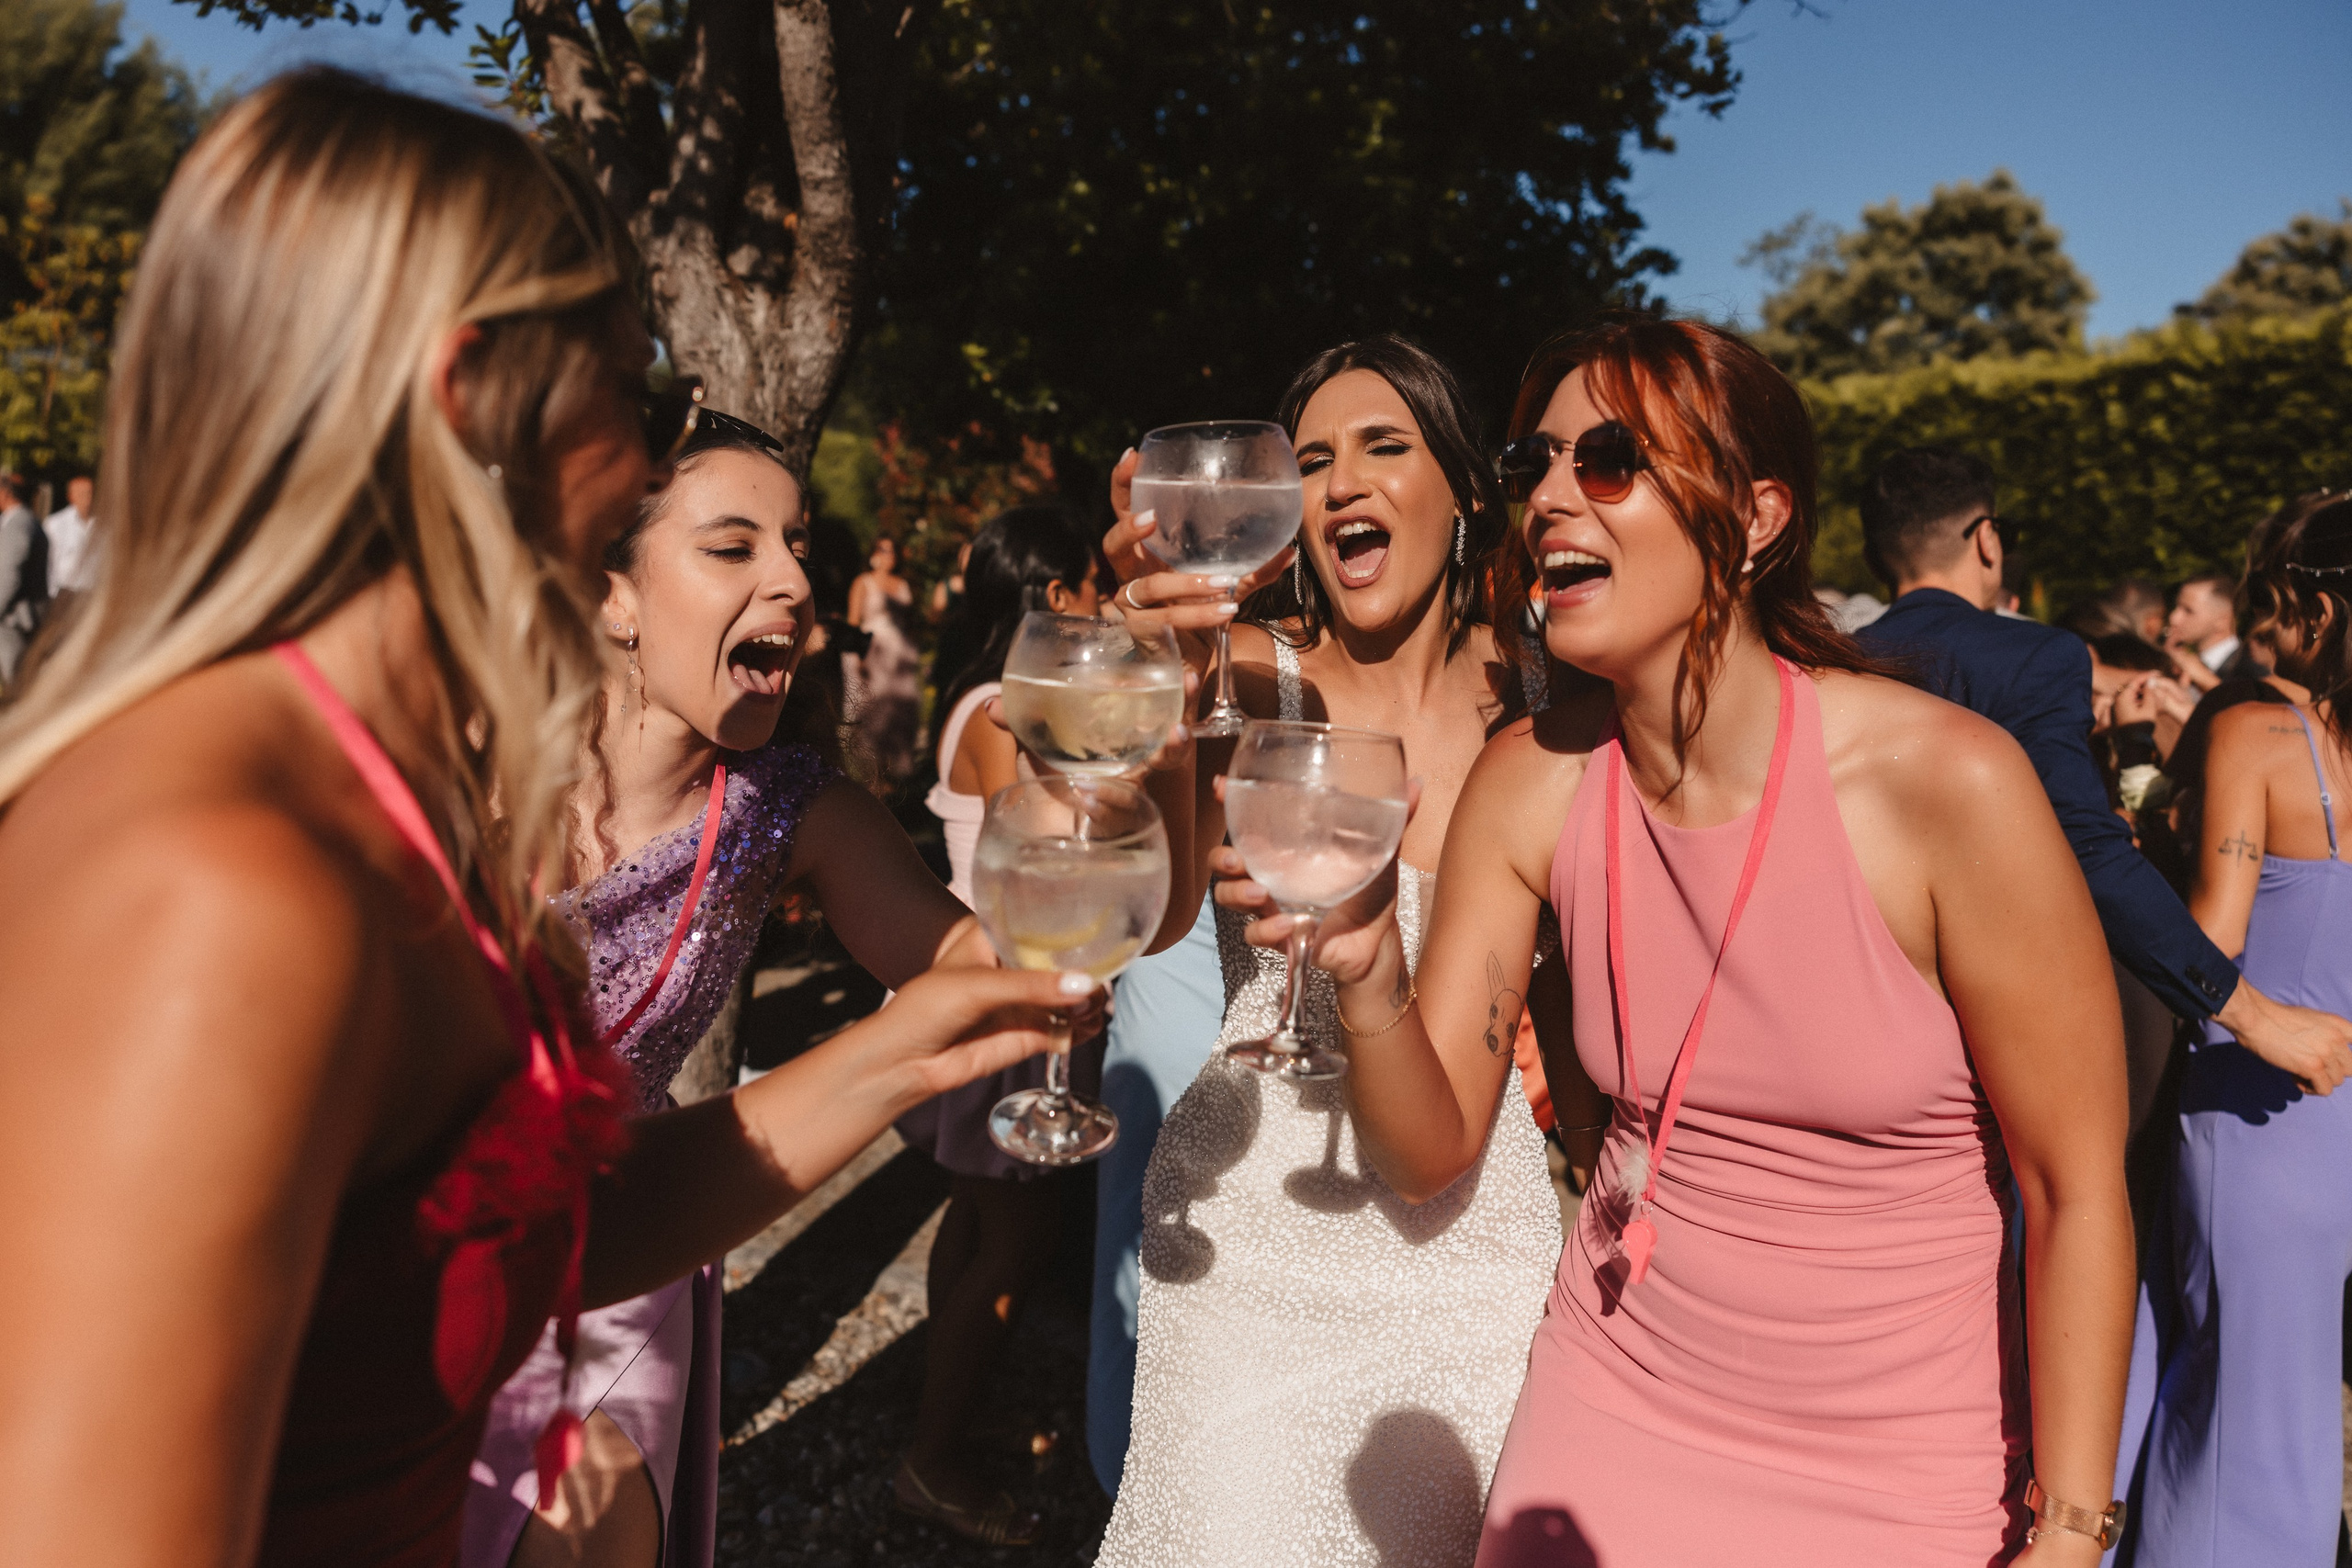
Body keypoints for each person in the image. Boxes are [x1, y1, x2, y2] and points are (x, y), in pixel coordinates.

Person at [0, 70, 1094, 1568]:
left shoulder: (371, 790)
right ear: (474, 400)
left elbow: (534, 1225)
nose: (647, 468)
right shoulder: (230, 883)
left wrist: (915, 1038)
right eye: (634, 400)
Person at [1238, 317, 2136, 1564]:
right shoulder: (1532, 782)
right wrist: (1372, 966)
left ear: (1757, 518)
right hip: (1612, 1409)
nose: (1550, 497)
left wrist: (2072, 1527)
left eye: (1608, 460)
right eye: (1534, 462)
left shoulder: (1946, 784)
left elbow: (2076, 1184)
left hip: (1900, 1460)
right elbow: (1428, 1145)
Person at [462, 409, 1005, 1567]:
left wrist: (1126, 807)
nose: (796, 580)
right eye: (734, 546)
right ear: (613, 594)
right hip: (408, 1256)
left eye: (800, 544)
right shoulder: (466, 750)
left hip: (625, 1244)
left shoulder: (790, 808)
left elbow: (975, 971)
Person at [1092, 333, 1562, 1568]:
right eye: (1310, 461)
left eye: (1383, 446)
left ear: (1465, 487)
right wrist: (1169, 686)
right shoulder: (1249, 673)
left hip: (1476, 1238)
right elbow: (1149, 908)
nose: (1341, 482)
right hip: (1252, 1223)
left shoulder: (1550, 708)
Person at [1854, 447, 2352, 1078]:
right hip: (2010, 1023)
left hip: (1860, 1010)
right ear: (1987, 540)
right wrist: (2251, 1014)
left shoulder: (1831, 665)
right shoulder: (2032, 656)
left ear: (1874, 557)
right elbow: (2084, 846)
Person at [2132, 493, 2352, 1567]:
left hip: (2259, 1118)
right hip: (2341, 1126)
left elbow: (2206, 951)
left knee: (2229, 1431)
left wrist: (2136, 862)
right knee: (2300, 1426)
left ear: (2308, 610)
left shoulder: (2262, 733)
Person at [889, 502, 1109, 1545]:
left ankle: (935, 1420)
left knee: (972, 1223)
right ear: (1057, 593)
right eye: (1093, 584)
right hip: (1008, 1003)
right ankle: (932, 1458)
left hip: (986, 992)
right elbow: (1059, 837)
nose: (1104, 601)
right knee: (1017, 1241)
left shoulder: (974, 695)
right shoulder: (1006, 711)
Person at [842, 532, 922, 789]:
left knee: (900, 714)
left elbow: (909, 623)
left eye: (892, 551)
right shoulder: (863, 582)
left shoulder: (903, 584)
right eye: (883, 550)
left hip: (900, 658)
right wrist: (858, 657)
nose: (888, 556)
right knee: (873, 715)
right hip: (874, 654)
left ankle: (894, 780)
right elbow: (854, 623)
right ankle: (870, 778)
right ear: (874, 553)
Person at [2165, 570, 2265, 690]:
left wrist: (2204, 680)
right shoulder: (2181, 667)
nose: (2174, 618)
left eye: (2188, 610)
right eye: (2177, 607)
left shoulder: (2252, 667)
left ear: (2222, 620)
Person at [0, 471, 43, 683]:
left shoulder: (19, 524)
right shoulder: (18, 522)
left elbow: (9, 575)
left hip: (14, 619)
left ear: (6, 493)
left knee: (16, 681)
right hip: (12, 617)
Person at [42, 472, 96, 600]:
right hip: (65, 595)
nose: (88, 498)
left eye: (90, 493)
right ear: (71, 497)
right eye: (82, 494)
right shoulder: (55, 524)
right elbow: (47, 562)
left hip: (93, 595)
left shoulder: (105, 525)